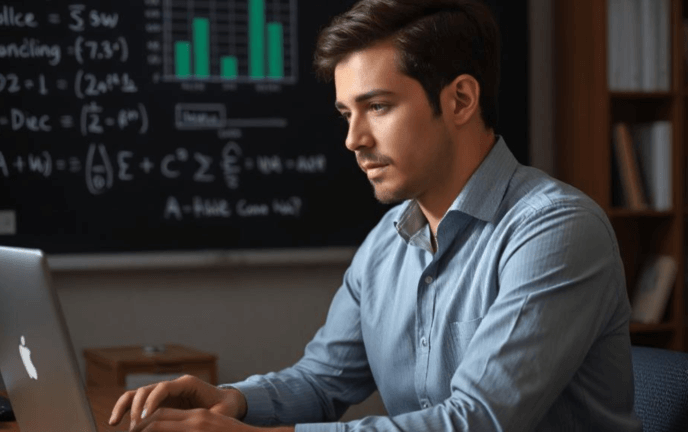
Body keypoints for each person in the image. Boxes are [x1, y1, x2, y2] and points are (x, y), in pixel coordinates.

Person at [108, 0, 642, 430]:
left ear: (460, 100)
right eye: (346, 113)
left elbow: (476, 422)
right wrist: (233, 402)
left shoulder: (556, 230)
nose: (353, 140)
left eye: (378, 107)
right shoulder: (387, 241)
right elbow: (321, 382)